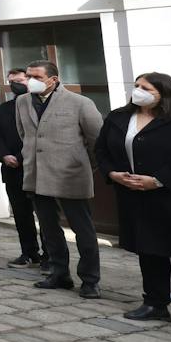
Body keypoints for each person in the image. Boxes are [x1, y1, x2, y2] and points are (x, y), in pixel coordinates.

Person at [20, 60, 104, 298]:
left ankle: (90, 279)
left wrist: (82, 165)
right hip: (37, 176)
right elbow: (24, 134)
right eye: (28, 76)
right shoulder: (22, 102)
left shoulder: (79, 102)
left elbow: (97, 140)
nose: (30, 81)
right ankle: (59, 273)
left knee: (83, 230)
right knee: (48, 229)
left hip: (71, 175)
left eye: (36, 76)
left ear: (53, 79)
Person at [95, 72, 171, 322]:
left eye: (146, 88)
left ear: (163, 94)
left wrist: (159, 179)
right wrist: (112, 173)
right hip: (134, 196)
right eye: (136, 85)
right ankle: (155, 304)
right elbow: (101, 149)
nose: (138, 90)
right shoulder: (119, 117)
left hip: (169, 195)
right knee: (150, 251)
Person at [0, 68, 45, 268]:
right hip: (11, 169)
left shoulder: (40, 105)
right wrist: (5, 155)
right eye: (11, 81)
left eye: (20, 80)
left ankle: (49, 255)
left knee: (44, 215)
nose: (15, 84)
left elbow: (37, 135)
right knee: (21, 215)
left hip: (36, 168)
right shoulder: (6, 107)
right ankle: (29, 252)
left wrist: (22, 157)